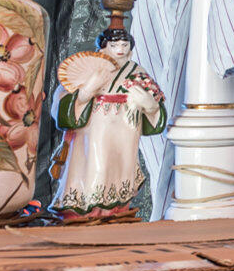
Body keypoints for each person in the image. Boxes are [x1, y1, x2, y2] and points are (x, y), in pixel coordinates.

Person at [50, 26, 166, 219]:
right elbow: (60, 103)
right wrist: (86, 91)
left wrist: (151, 106)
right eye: (114, 45)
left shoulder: (137, 72)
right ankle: (86, 213)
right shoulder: (91, 69)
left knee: (120, 169)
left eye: (124, 45)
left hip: (125, 131)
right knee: (94, 168)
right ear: (103, 48)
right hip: (93, 132)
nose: (119, 49)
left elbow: (156, 107)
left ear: (130, 49)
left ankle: (116, 211)